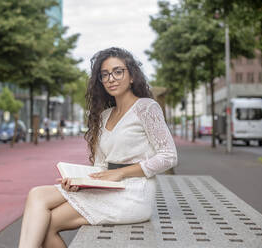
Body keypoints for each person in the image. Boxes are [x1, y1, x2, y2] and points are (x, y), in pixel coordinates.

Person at [18, 47, 178, 248]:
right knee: (36, 194)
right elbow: (102, 166)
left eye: (118, 71)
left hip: (134, 191)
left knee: (47, 225)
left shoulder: (146, 107)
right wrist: (80, 182)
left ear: (131, 76)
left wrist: (121, 174)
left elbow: (169, 156)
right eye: (105, 74)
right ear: (100, 81)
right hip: (109, 186)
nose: (111, 78)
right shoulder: (104, 116)